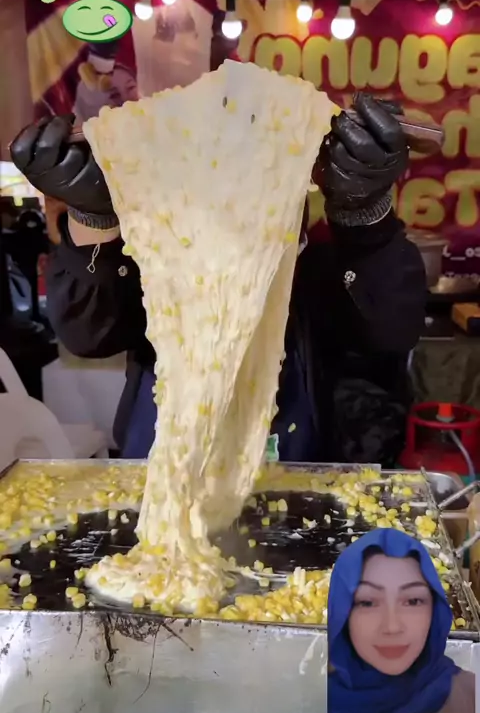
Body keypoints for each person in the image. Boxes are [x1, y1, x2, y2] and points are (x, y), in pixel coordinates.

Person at [10, 93, 426, 462]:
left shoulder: (317, 274)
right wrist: (94, 218)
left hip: (294, 482)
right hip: (161, 475)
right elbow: (87, 334)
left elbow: (393, 328)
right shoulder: (156, 266)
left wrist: (362, 213)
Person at [327, 528, 475, 713]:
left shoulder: (470, 701)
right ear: (343, 614)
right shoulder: (302, 708)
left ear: (435, 610)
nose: (392, 626)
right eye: (367, 602)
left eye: (413, 601)